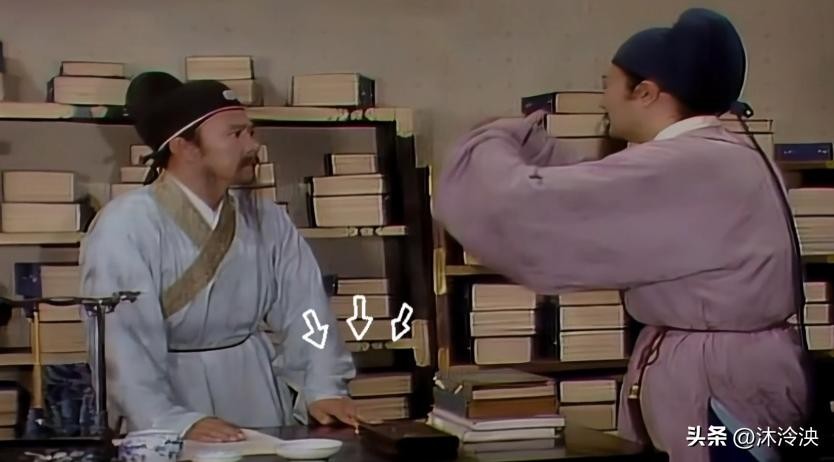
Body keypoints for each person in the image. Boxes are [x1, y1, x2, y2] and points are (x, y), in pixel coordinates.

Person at [433, 8, 811, 462]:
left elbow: (533, 206)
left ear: (646, 92)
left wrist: (489, 142)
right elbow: (605, 193)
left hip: (722, 390)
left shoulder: (691, 164)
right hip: (730, 371)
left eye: (607, 83)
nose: (603, 99)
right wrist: (534, 148)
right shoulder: (720, 156)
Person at [79, 72, 357, 442]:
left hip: (255, 390)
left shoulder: (267, 218)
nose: (253, 145)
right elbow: (120, 342)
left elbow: (307, 311)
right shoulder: (125, 225)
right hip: (170, 398)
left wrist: (323, 386)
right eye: (235, 134)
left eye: (251, 132)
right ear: (184, 146)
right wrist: (172, 420)